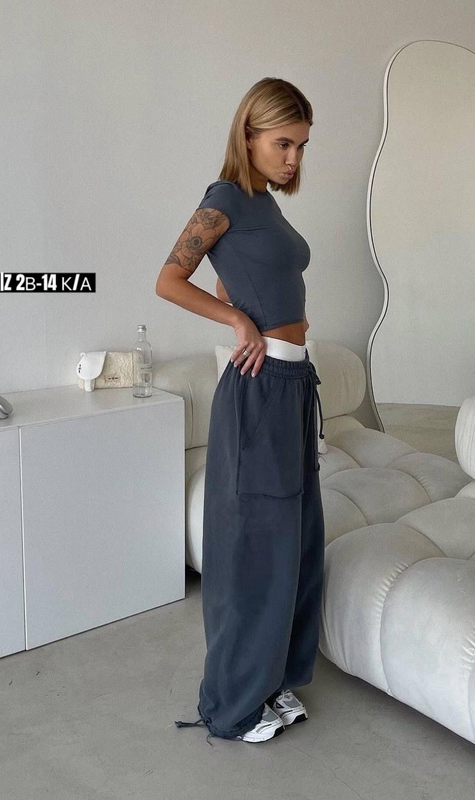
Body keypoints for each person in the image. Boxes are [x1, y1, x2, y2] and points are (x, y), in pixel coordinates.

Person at [156, 77, 324, 743]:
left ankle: (272, 679)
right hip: (259, 388)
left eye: (301, 146)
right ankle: (234, 702)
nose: (293, 158)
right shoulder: (223, 198)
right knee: (255, 544)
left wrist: (243, 299)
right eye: (283, 143)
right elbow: (169, 279)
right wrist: (237, 321)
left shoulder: (266, 205)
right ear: (248, 135)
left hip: (292, 382)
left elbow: (239, 276)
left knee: (294, 539)